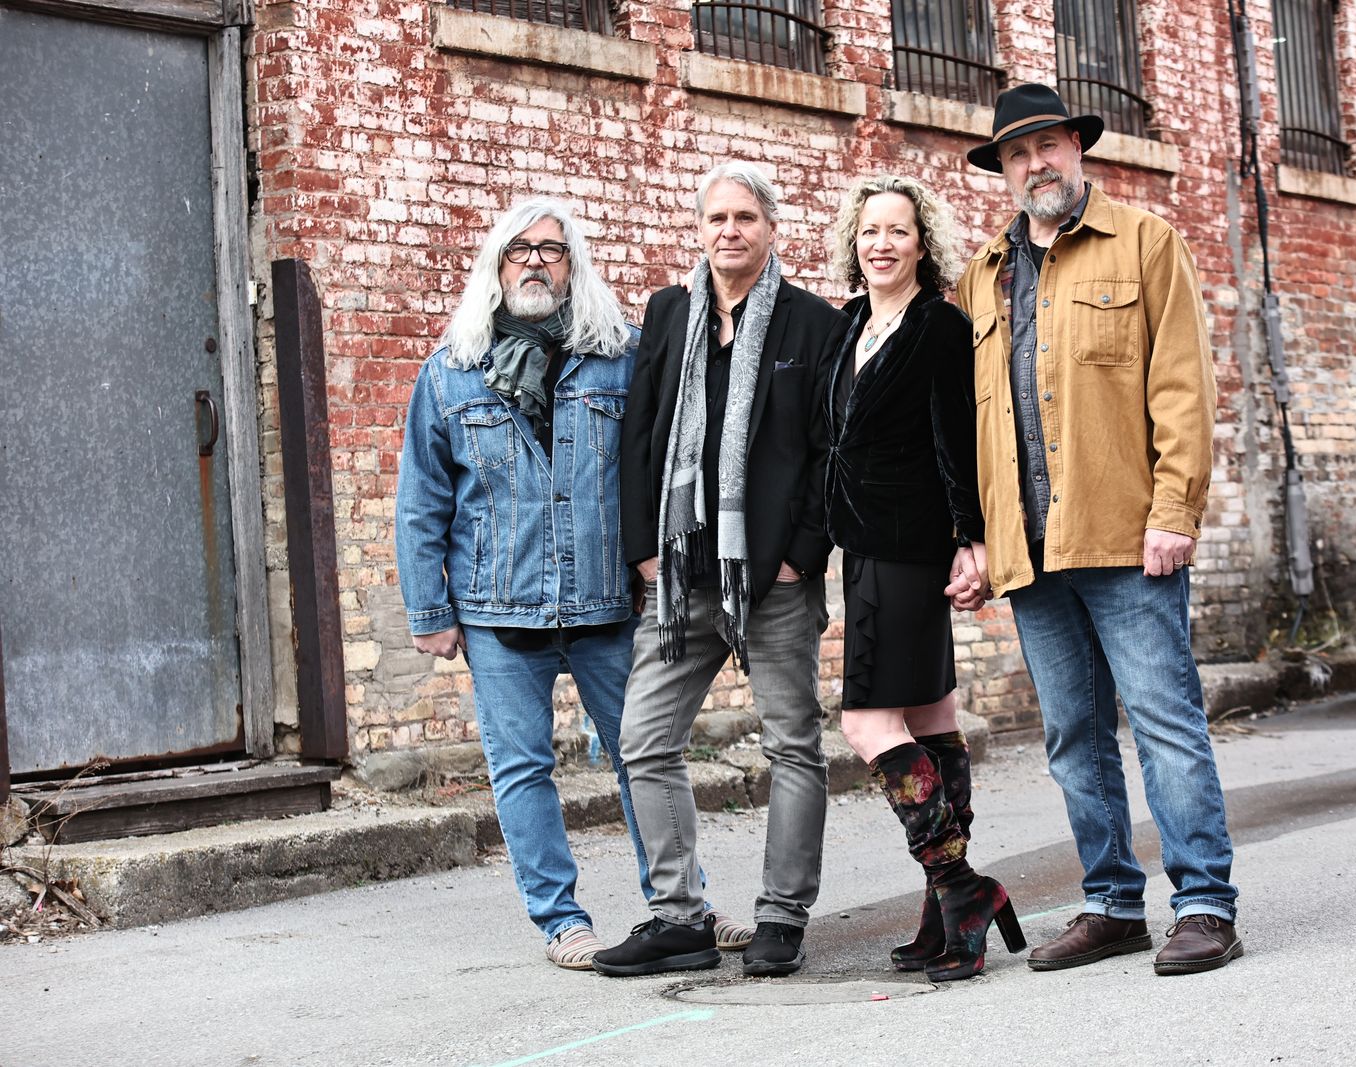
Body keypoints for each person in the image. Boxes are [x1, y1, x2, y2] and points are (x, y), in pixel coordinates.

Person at [395, 199, 749, 971]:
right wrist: (429, 607)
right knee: (522, 767)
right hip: (496, 605)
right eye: (518, 249)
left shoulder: (620, 356)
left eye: (551, 250)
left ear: (573, 266)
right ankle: (560, 919)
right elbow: (422, 497)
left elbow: (666, 464)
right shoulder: (451, 370)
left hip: (606, 601)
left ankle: (683, 904)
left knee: (645, 753)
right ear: (496, 266)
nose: (534, 261)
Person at [956, 84, 1243, 976]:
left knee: (1163, 722)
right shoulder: (984, 273)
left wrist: (1174, 512)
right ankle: (1113, 903)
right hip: (1030, 549)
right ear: (1003, 171)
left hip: (1126, 538)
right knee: (1073, 737)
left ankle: (1204, 903)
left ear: (1077, 148)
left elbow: (1184, 389)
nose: (1034, 163)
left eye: (1047, 145)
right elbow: (971, 421)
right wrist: (977, 538)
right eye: (1016, 153)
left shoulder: (1147, 243)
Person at [592, 163, 842, 979]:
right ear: (699, 229)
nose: (729, 230)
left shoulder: (814, 324)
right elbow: (640, 434)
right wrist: (644, 549)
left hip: (775, 580)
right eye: (716, 218)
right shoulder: (669, 312)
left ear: (771, 228)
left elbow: (829, 452)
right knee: (644, 740)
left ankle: (781, 916)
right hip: (682, 574)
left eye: (744, 217)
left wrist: (802, 557)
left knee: (791, 745)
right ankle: (679, 918)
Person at [817, 174, 1023, 982]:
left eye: (898, 230)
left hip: (908, 544)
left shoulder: (939, 324)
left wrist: (973, 538)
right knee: (932, 716)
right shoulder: (850, 322)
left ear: (922, 243)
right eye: (870, 230)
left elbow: (956, 437)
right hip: (861, 543)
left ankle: (963, 887)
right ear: (854, 241)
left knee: (868, 723)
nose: (882, 243)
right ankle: (947, 911)